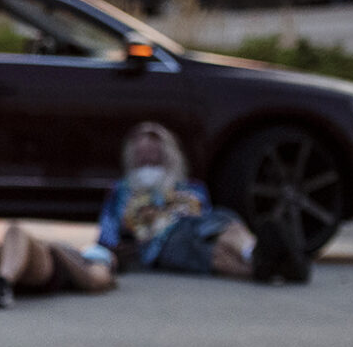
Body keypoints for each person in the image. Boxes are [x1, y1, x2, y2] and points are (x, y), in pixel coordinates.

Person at [83, 122, 306, 285]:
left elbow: (206, 216)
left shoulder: (191, 187)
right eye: (141, 155)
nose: (147, 159)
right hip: (160, 244)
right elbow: (107, 231)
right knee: (212, 254)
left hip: (196, 224)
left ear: (167, 155)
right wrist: (116, 248)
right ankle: (268, 265)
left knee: (223, 224)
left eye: (153, 154)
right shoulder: (121, 191)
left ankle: (257, 256)